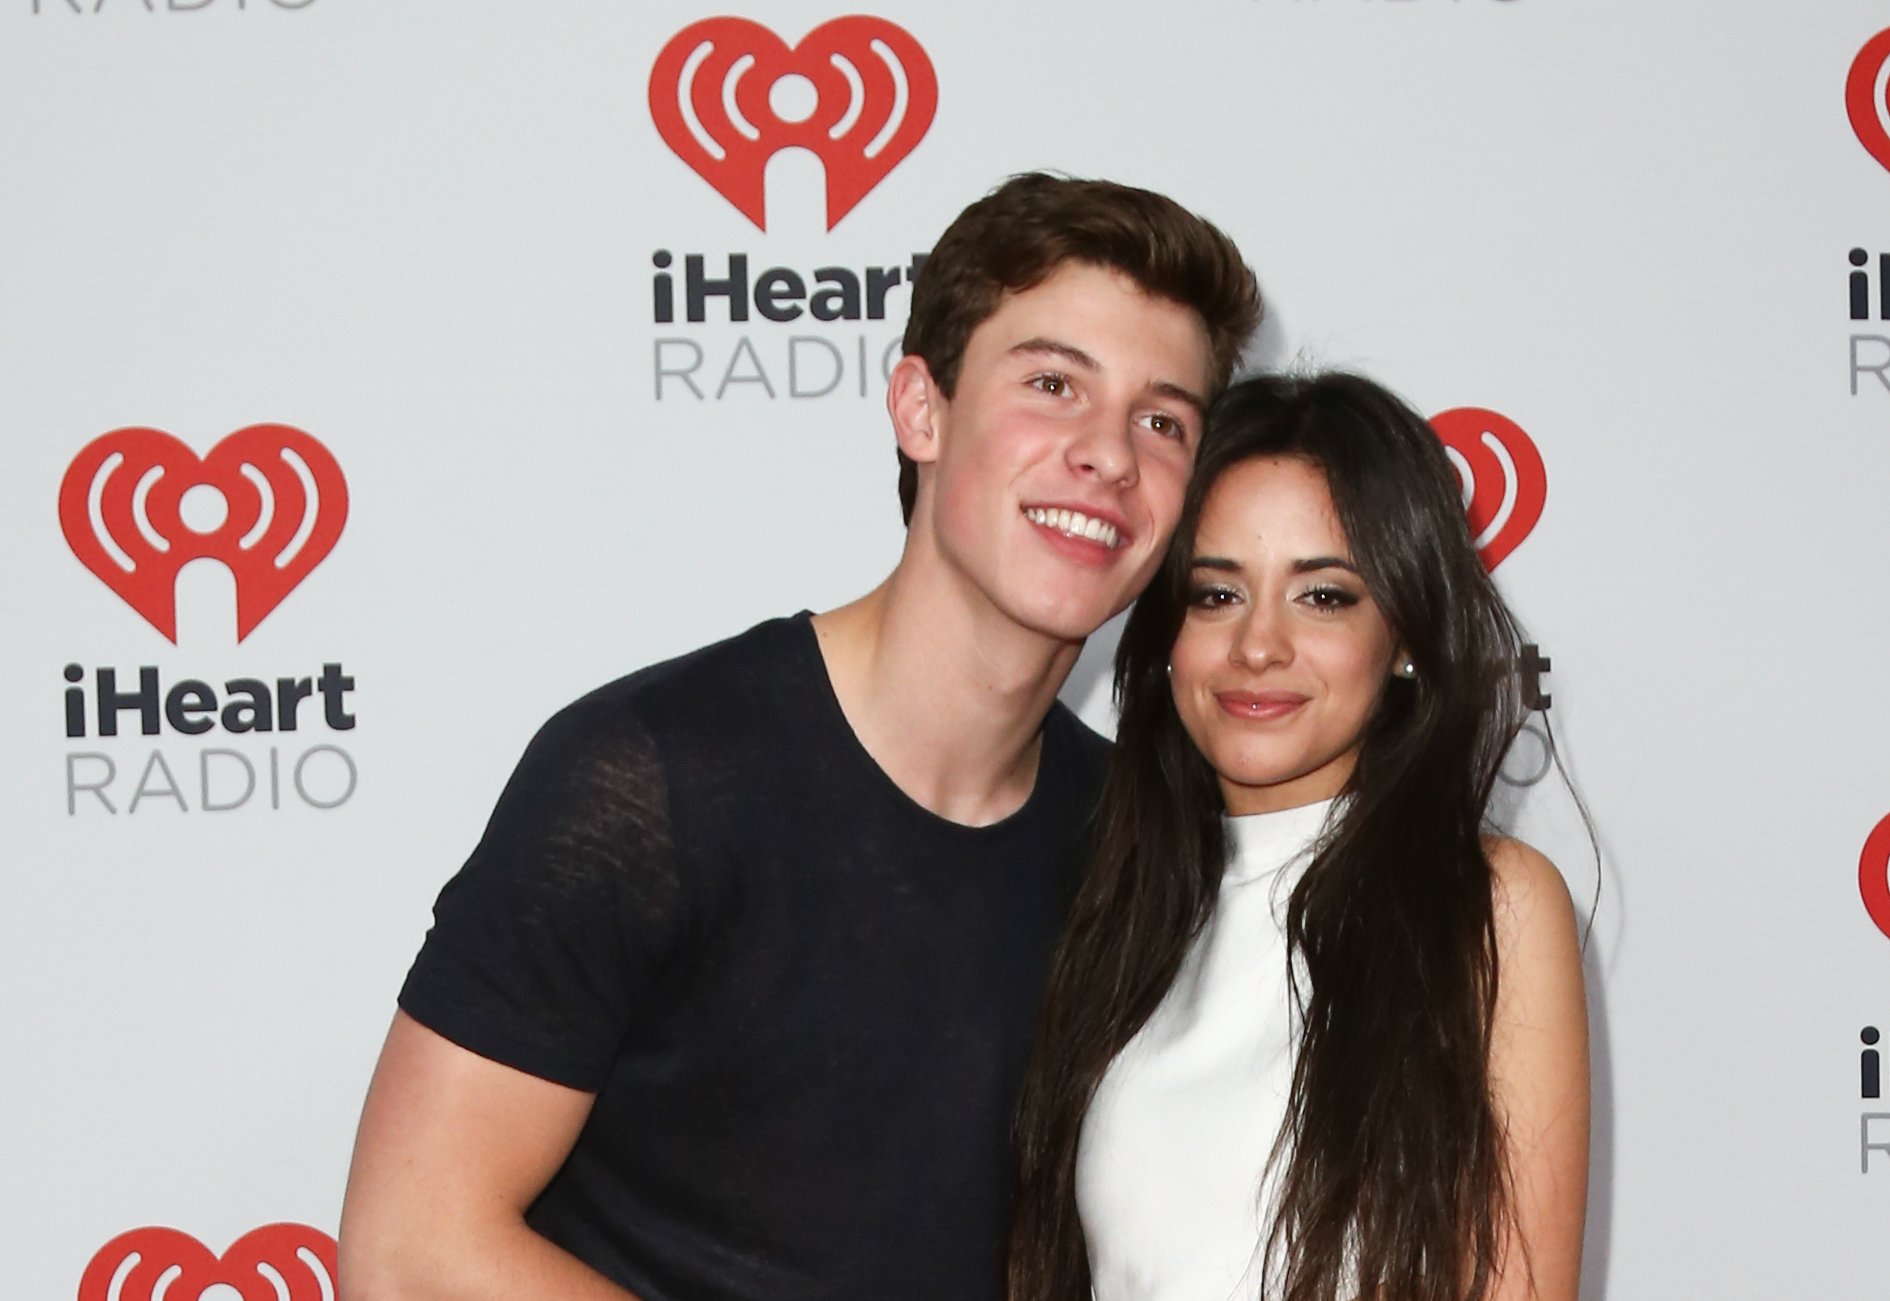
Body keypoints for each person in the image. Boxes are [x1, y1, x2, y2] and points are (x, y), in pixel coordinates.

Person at [336, 173, 1260, 1301]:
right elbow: (410, 1247)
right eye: (1053, 382)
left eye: (1162, 419)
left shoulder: (1131, 840)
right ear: (921, 407)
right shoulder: (652, 775)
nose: (1108, 454)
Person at [1008, 372, 1590, 1301]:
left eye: (1323, 597)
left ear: (1401, 633)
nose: (1259, 646)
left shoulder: (1489, 904)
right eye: (1215, 595)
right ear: (1168, 632)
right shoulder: (1109, 909)